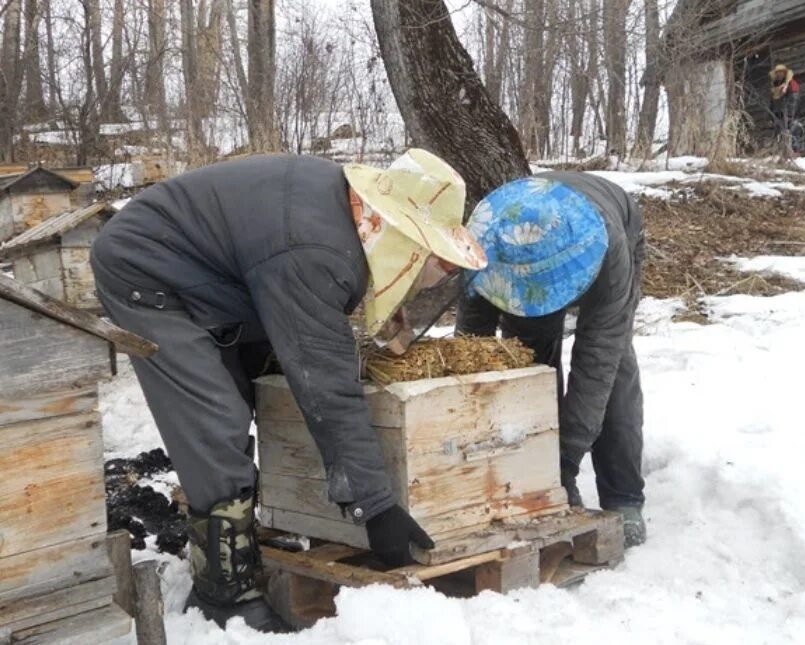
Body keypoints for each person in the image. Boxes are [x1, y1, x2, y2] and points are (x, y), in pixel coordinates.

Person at [90, 149, 486, 631]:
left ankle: (260, 526)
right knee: (216, 419)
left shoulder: (340, 223)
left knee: (267, 390)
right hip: (147, 271)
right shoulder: (317, 251)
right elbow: (327, 383)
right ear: (401, 233)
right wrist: (376, 507)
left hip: (224, 274)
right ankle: (224, 593)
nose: (437, 273)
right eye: (436, 259)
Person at [455, 172, 646, 548]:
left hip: (613, 228)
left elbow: (597, 360)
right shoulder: (482, 242)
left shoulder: (608, 252)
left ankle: (623, 495)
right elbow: (471, 343)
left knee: (615, 365)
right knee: (527, 362)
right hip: (519, 252)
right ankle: (537, 480)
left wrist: (568, 456)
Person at [769, 63, 803, 152]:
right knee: (779, 135)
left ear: (785, 73)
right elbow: (772, 103)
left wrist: (789, 115)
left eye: (781, 72)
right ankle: (781, 153)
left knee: (793, 134)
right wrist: (770, 117)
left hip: (790, 115)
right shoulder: (775, 86)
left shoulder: (791, 84)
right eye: (777, 72)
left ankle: (796, 153)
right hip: (778, 115)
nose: (779, 74)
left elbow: (794, 100)